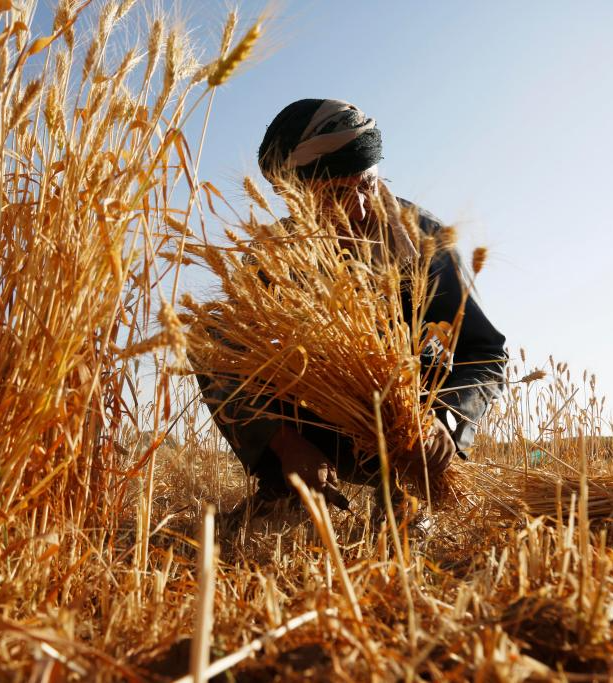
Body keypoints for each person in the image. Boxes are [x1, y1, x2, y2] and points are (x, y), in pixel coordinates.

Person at [196, 98, 507, 515]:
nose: (361, 208)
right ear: (295, 196)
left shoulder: (424, 238)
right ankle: (285, 489)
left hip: (412, 427)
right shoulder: (274, 254)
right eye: (338, 193)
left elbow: (484, 351)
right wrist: (284, 443)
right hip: (318, 427)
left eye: (367, 184)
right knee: (207, 331)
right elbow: (218, 344)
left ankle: (407, 493)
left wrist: (445, 423)